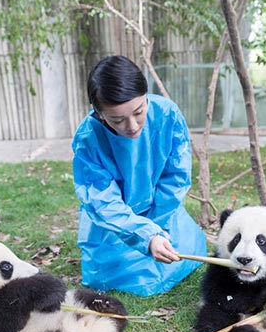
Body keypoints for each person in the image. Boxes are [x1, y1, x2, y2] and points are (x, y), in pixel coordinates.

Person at [71, 55, 207, 296]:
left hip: (161, 210)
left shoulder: (167, 114)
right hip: (116, 222)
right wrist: (145, 236)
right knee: (111, 275)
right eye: (117, 120)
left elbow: (175, 178)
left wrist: (158, 227)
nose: (132, 126)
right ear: (99, 113)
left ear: (146, 96)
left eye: (139, 111)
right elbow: (103, 202)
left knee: (185, 253)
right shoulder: (88, 140)